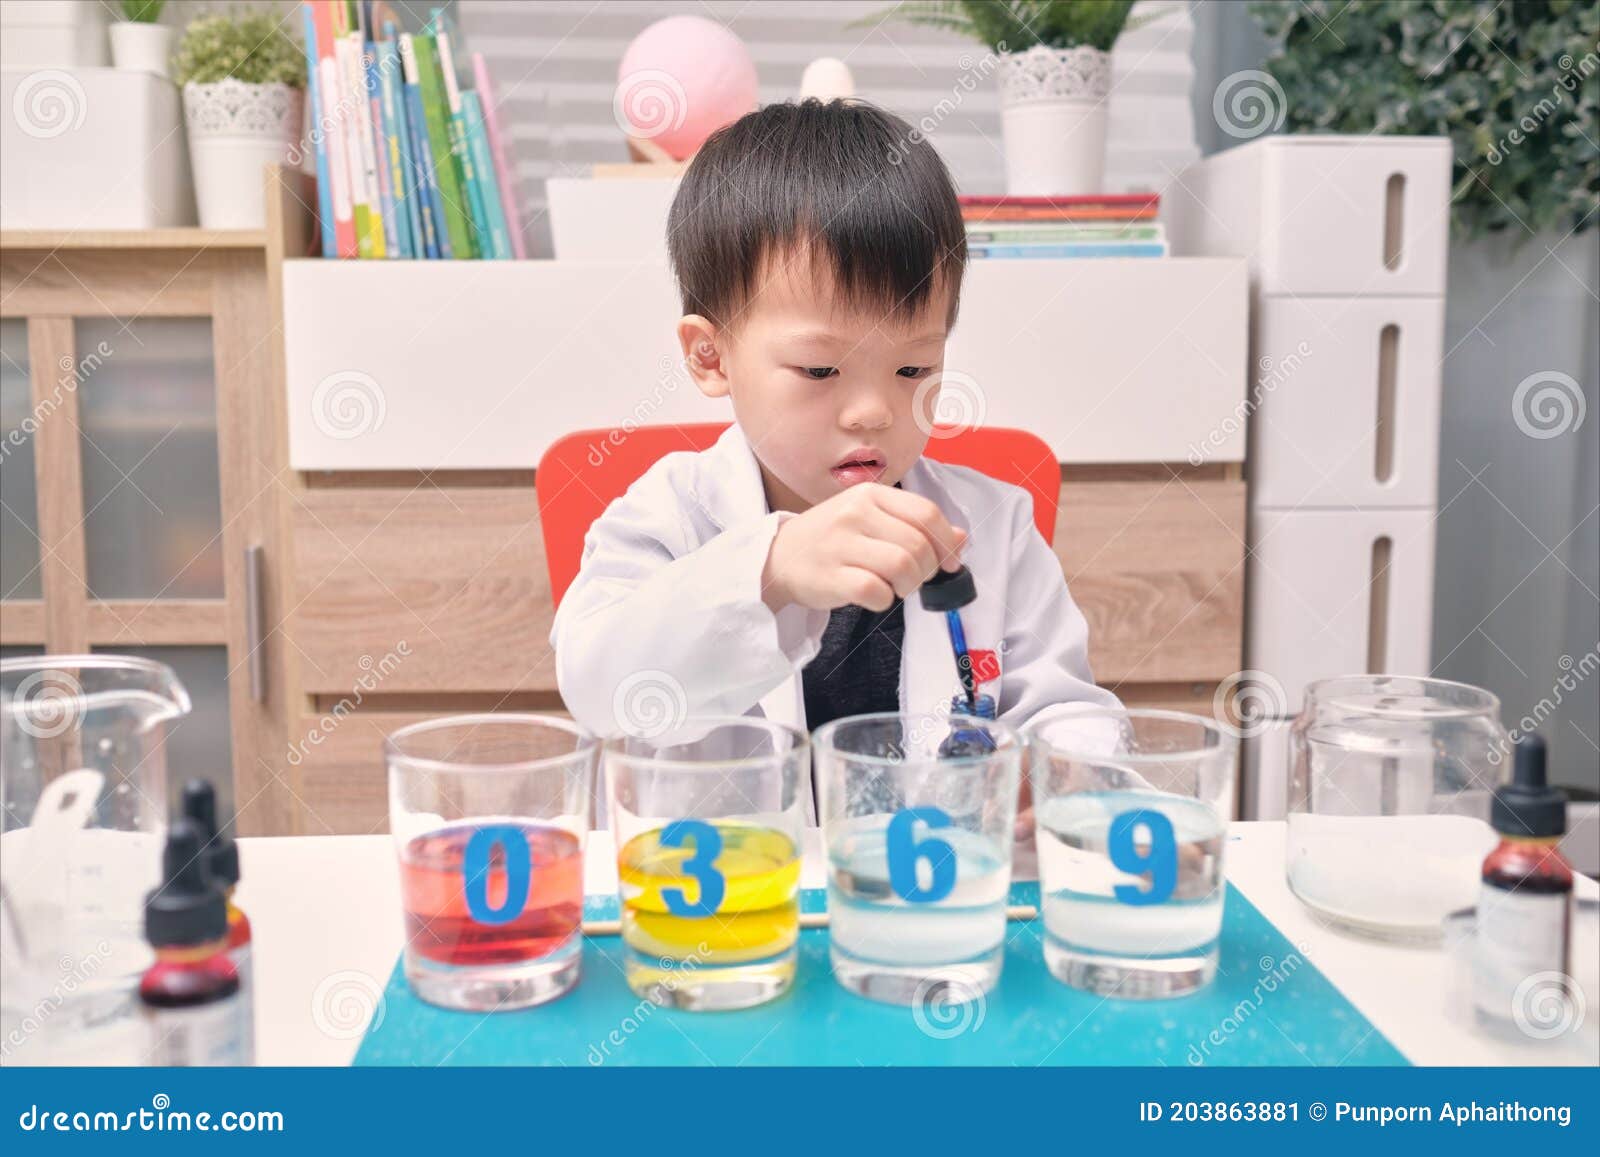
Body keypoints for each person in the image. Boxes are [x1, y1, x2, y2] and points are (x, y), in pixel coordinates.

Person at [551, 99, 1119, 820]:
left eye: (914, 369)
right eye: (821, 372)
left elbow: (1065, 707)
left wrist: (1070, 775)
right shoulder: (665, 516)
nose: (873, 411)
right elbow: (600, 684)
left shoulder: (994, 526)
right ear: (709, 353)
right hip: (726, 912)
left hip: (926, 904)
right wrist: (772, 568)